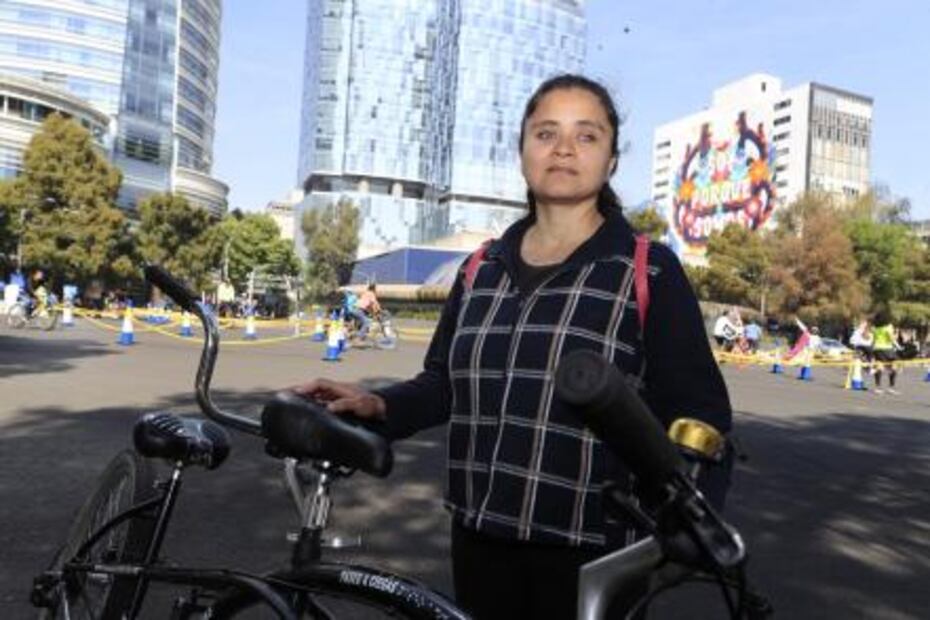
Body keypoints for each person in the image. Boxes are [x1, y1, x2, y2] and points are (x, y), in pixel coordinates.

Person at [294, 74, 732, 619]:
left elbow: (702, 411)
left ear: (613, 160)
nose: (564, 148)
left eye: (587, 135)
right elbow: (444, 384)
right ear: (523, 151)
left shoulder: (648, 269)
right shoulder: (480, 268)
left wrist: (687, 517)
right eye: (546, 133)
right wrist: (380, 404)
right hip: (480, 538)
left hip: (596, 554)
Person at [871, 312, 901, 394]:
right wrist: (896, 334)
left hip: (877, 349)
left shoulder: (875, 328)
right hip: (887, 349)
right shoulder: (888, 327)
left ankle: (878, 388)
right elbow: (891, 339)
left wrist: (872, 350)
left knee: (879, 367)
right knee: (894, 366)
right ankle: (891, 387)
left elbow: (873, 340)